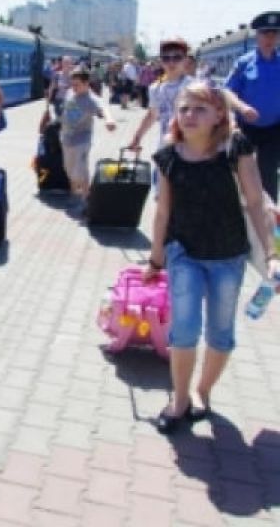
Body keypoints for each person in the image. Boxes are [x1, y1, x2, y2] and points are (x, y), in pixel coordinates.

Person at [146, 81, 279, 434]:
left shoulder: (236, 148)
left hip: (228, 254)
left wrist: (272, 254)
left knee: (220, 333)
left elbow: (255, 202)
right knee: (184, 329)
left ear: (219, 114)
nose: (189, 115)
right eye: (184, 109)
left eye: (200, 109)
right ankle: (179, 400)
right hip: (183, 253)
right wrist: (155, 259)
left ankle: (203, 391)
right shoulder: (169, 153)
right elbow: (163, 212)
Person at [223, 11, 280, 203]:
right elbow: (227, 91)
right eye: (265, 33)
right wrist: (242, 107)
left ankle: (269, 217)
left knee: (268, 174)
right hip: (246, 128)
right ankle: (240, 211)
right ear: (257, 36)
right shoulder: (244, 63)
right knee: (241, 171)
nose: (270, 38)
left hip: (273, 129)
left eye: (274, 33)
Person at [59, 66, 116, 214]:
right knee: (69, 169)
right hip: (66, 138)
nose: (74, 88)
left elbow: (104, 108)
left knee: (81, 170)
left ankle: (86, 200)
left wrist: (109, 120)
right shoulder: (71, 92)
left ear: (86, 83)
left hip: (82, 140)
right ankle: (74, 193)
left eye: (77, 85)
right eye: (72, 84)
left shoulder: (92, 99)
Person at [129, 38, 195, 153]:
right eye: (166, 58)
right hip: (165, 150)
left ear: (185, 60)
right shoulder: (155, 88)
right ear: (161, 61)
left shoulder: (195, 87)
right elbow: (152, 115)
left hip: (192, 152)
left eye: (177, 57)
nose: (171, 62)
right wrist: (137, 138)